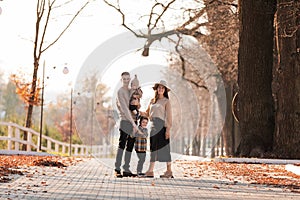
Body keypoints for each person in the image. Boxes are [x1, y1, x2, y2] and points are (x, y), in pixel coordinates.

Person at [143, 80, 173, 178]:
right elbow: (147, 113)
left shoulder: (166, 101)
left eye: (162, 88)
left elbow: (169, 117)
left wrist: (168, 130)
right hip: (152, 126)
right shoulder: (152, 101)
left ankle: (169, 171)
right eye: (159, 87)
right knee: (153, 148)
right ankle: (150, 171)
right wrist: (136, 109)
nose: (160, 89)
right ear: (156, 89)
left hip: (162, 126)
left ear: (165, 90)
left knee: (165, 148)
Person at [114, 72, 138, 177]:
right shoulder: (120, 92)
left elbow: (136, 103)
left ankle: (126, 169)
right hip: (125, 121)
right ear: (121, 80)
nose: (126, 81)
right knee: (122, 144)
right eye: (124, 79)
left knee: (130, 145)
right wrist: (133, 123)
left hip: (134, 122)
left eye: (128, 79)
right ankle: (117, 169)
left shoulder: (130, 90)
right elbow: (125, 109)